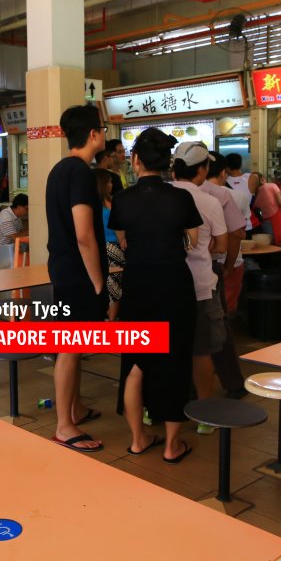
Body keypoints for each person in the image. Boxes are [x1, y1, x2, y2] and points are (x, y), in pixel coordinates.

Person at [110, 128, 202, 464]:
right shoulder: (181, 198)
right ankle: (172, 445)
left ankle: (138, 439)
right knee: (175, 361)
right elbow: (193, 240)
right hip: (174, 285)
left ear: (135, 160)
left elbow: (122, 243)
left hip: (137, 285)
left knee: (134, 363)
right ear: (167, 163)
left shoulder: (122, 199)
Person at [46, 104, 109, 452]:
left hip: (63, 269)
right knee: (70, 348)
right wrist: (99, 284)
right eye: (102, 129)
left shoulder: (59, 170)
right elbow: (85, 234)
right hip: (79, 274)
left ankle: (76, 408)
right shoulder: (82, 174)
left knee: (73, 345)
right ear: (93, 134)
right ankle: (64, 426)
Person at [170, 143, 231, 404]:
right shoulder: (209, 202)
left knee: (166, 349)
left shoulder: (160, 196)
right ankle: (204, 412)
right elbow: (222, 246)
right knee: (202, 350)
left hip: (165, 287)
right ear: (203, 171)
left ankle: (160, 407)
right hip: (201, 286)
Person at [200, 155, 249, 397]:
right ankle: (233, 385)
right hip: (209, 269)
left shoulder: (172, 193)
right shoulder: (220, 195)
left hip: (175, 272)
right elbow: (237, 233)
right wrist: (228, 265)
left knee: (185, 331)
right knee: (217, 327)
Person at [202, 155, 247, 316]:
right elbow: (237, 234)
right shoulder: (235, 196)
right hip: (228, 261)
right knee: (225, 309)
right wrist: (228, 266)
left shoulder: (189, 193)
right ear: (223, 173)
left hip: (200, 263)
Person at [94, 170, 125, 321]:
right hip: (115, 247)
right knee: (115, 285)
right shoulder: (114, 203)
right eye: (109, 182)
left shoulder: (91, 205)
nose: (112, 185)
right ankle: (112, 320)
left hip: (98, 248)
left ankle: (106, 318)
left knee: (108, 284)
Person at [0, 193, 28, 270]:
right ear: (19, 207)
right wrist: (30, 232)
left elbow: (21, 234)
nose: (27, 211)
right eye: (26, 209)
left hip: (8, 250)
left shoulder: (17, 217)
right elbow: (16, 237)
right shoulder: (5, 216)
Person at [254, 174, 281, 242]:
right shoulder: (272, 185)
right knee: (276, 245)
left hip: (263, 223)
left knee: (268, 246)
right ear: (263, 179)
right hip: (274, 222)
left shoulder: (256, 192)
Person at [223, 153, 258, 231]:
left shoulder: (223, 181)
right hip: (247, 223)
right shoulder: (253, 177)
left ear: (227, 167)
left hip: (230, 224)